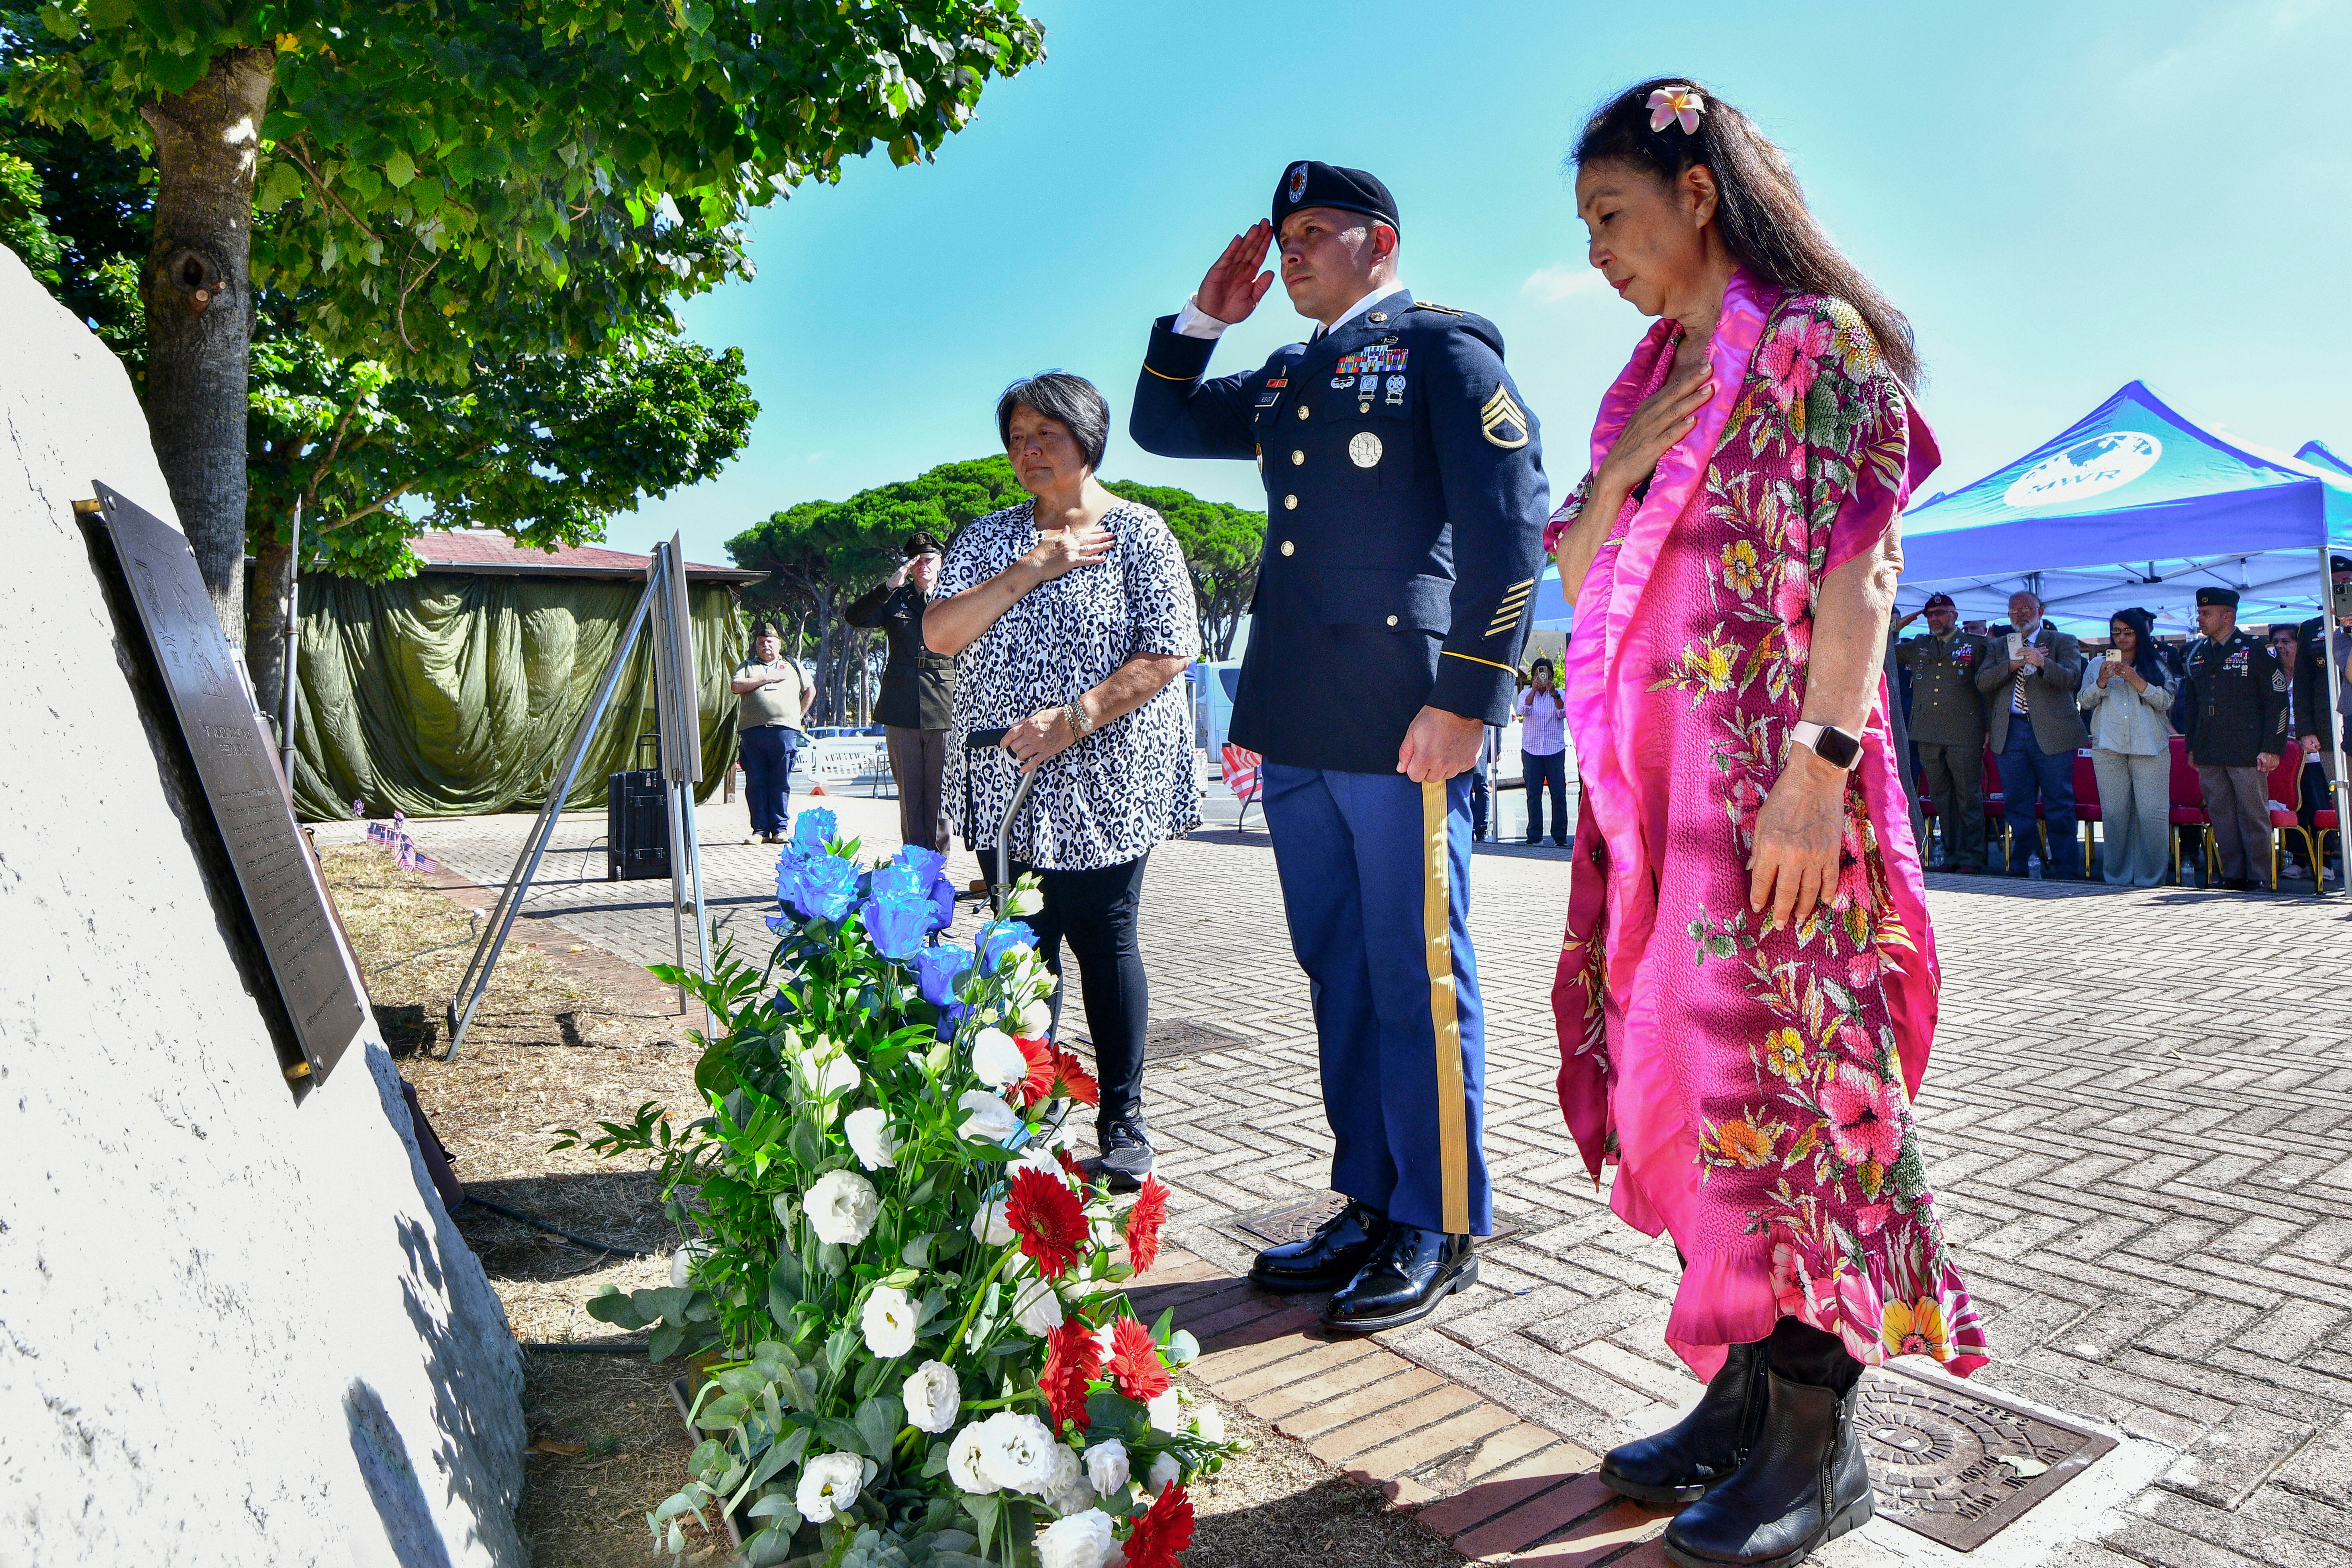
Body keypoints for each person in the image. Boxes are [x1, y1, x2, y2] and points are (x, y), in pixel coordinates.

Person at [1542, 80, 1984, 1568]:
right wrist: (1613, 471)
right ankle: (1739, 1408)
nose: (1599, 250)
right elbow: (1578, 569)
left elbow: (1865, 569)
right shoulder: (1641, 384)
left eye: (1613, 214)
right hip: (1656, 821)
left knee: (1798, 1117)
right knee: (1699, 1104)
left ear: (1699, 196)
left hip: (1785, 812)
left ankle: (1819, 1449)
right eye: (1586, 228)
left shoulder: (1818, 342)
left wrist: (1821, 765)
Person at [1130, 159, 1547, 1332]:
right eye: (1282, 234)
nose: (1292, 250)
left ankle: (1442, 1217)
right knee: (1343, 969)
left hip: (1404, 715)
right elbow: (1163, 424)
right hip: (1298, 709)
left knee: (1418, 972)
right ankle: (1372, 1196)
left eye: (1314, 231)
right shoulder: (1284, 371)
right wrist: (1206, 318)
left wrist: (1470, 695)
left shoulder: (1444, 351)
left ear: (1382, 241)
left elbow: (1512, 530)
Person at [925, 373, 1200, 1190]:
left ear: (1090, 437)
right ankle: (1028, 1110)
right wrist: (1034, 568)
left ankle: (1123, 1118)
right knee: (1021, 946)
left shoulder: (1142, 534)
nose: (1029, 450)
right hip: (1000, 780)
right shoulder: (988, 538)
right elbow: (942, 634)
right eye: (1016, 437)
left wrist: (1071, 719)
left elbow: (1167, 651)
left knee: (1103, 937)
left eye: (1047, 433)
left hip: (1106, 776)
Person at [846, 533, 957, 854]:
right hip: (902, 705)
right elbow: (855, 617)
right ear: (910, 567)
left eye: (930, 559)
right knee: (910, 795)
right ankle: (914, 863)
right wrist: (891, 585)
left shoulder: (955, 597)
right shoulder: (895, 598)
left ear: (941, 562)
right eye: (917, 561)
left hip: (943, 703)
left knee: (939, 794)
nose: (924, 566)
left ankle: (939, 865)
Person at [2180, 587, 2287, 891]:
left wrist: (2272, 747)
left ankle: (2260, 876)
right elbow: (2192, 705)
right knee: (2222, 814)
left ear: (2228, 616)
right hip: (2211, 747)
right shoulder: (2199, 653)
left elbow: (2278, 701)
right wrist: (2192, 746)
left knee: (2253, 814)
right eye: (2200, 613)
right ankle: (2234, 874)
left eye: (2206, 613)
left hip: (2248, 746)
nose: (2200, 618)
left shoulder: (2257, 648)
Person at [1975, 589, 2088, 877]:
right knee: (2016, 802)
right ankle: (2027, 863)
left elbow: (2072, 678)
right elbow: (1982, 682)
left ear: (2041, 611)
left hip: (2053, 731)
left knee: (2059, 801)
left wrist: (2041, 663)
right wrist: (2012, 665)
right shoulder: (2000, 645)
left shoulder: (2063, 641)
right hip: (2011, 731)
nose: (2021, 614)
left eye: (2027, 608)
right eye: (2015, 611)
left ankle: (2065, 868)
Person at [1892, 592, 1991, 872]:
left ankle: (1972, 857)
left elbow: (1989, 688)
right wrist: (1898, 627)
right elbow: (1880, 648)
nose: (1935, 618)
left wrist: (1988, 728)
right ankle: (1951, 855)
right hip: (1927, 732)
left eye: (1941, 613)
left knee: (1968, 796)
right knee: (1942, 798)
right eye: (1930, 615)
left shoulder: (1976, 645)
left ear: (1955, 616)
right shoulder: (1919, 645)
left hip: (1964, 732)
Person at [2078, 609, 2173, 887]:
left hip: (2150, 746)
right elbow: (2084, 701)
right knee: (2115, 814)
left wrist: (2137, 680)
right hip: (2108, 745)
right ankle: (2117, 877)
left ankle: (2151, 878)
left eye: (2128, 632)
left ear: (2140, 634)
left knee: (2152, 815)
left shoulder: (2157, 664)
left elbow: (2166, 702)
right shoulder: (2097, 664)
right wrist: (2102, 682)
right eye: (2117, 632)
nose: (2121, 638)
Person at [731, 623, 813, 844]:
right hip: (753, 732)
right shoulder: (748, 667)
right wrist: (768, 678)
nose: (765, 645)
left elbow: (810, 690)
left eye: (770, 642)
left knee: (780, 782)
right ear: (756, 647)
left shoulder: (793, 666)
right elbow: (737, 686)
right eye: (761, 643)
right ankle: (760, 830)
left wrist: (798, 716)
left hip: (784, 732)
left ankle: (780, 829)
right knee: (756, 781)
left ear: (779, 644)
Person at [1516, 658, 1569, 846]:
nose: (1542, 677)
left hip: (1554, 749)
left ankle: (1560, 837)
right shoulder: (1525, 693)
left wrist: (1554, 694)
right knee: (1533, 794)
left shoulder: (1559, 694)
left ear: (1552, 676)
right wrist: (1534, 690)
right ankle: (1534, 835)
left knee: (1559, 794)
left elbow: (1564, 713)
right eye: (1539, 673)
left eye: (1546, 673)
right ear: (1534, 676)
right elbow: (1523, 710)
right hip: (1532, 750)